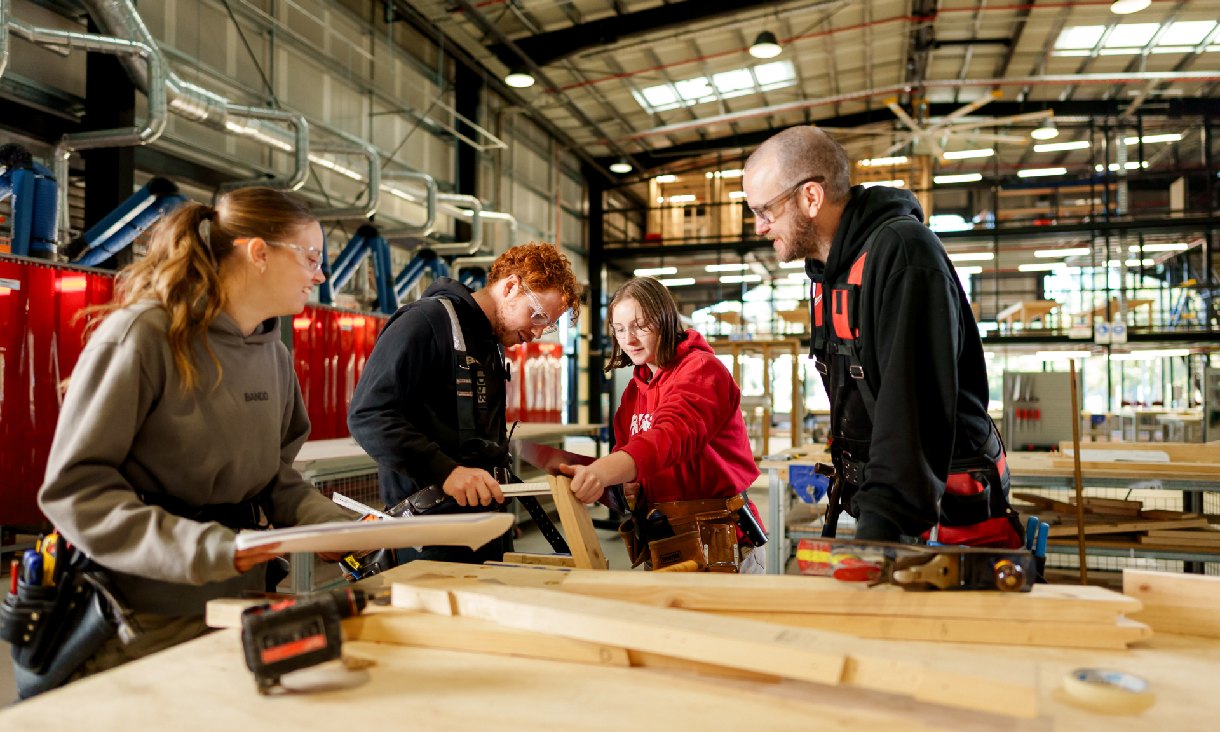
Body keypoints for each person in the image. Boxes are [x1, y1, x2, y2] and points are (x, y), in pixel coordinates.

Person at [31, 187, 356, 695]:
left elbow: (275, 478)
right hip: (140, 616)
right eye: (311, 257)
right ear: (259, 253)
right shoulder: (144, 336)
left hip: (237, 605)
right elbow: (77, 491)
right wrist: (210, 547)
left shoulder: (272, 354)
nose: (320, 276)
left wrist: (333, 528)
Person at [742, 126, 1022, 548]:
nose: (760, 227)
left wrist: (878, 532)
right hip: (892, 509)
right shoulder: (830, 273)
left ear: (811, 198)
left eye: (765, 210)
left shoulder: (904, 256)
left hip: (942, 513)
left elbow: (911, 410)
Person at [347, 242, 581, 564]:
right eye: (537, 315)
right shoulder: (426, 322)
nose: (539, 332)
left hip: (485, 525)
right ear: (511, 286)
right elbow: (368, 414)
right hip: (430, 535)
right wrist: (446, 471)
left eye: (549, 324)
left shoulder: (489, 343)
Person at [563, 277, 767, 573]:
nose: (628, 340)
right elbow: (629, 454)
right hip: (665, 542)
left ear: (665, 320)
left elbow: (670, 436)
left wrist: (600, 471)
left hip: (720, 544)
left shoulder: (701, 370)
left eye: (639, 326)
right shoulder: (634, 392)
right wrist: (622, 485)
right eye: (619, 330)